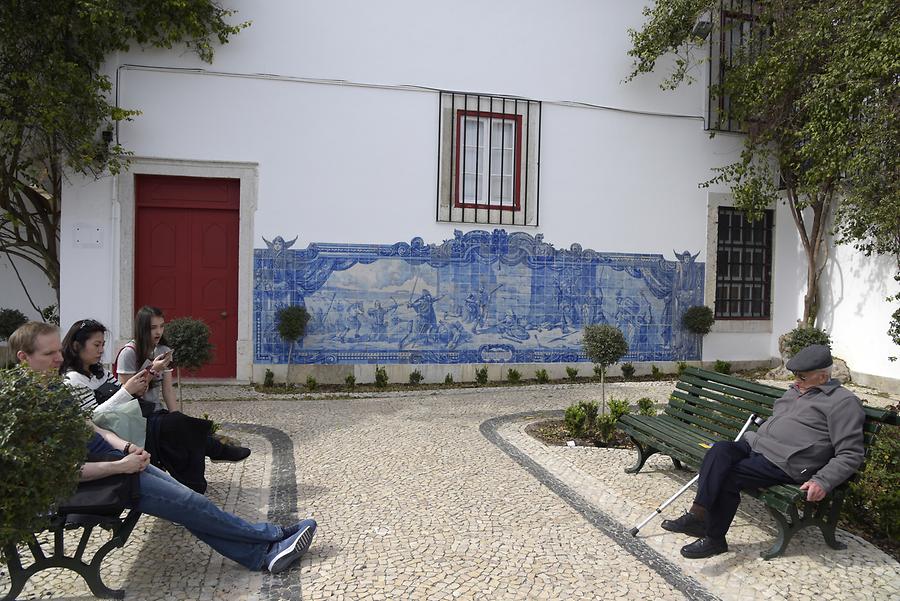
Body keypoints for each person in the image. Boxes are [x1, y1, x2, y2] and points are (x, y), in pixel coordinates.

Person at [8, 321, 317, 573]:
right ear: (23, 357)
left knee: (190, 505)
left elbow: (92, 426)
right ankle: (271, 539)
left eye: (58, 351)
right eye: (50, 354)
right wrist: (120, 466)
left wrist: (126, 447)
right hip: (104, 481)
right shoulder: (26, 410)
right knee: (193, 505)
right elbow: (59, 472)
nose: (59, 358)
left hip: (119, 464)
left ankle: (262, 554)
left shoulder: (50, 391)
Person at [660, 345, 865, 558]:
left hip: (786, 462)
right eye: (795, 376)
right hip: (757, 445)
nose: (796, 381)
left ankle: (714, 539)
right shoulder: (796, 391)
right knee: (719, 450)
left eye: (802, 377)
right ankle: (698, 514)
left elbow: (850, 453)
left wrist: (823, 480)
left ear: (823, 377)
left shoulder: (843, 403)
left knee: (730, 476)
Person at [60, 318, 250, 494]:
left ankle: (196, 484)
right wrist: (127, 390)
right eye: (96, 345)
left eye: (102, 344)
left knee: (177, 425)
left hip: (132, 419)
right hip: (118, 433)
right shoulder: (73, 380)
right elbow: (93, 418)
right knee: (176, 428)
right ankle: (211, 457)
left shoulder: (99, 371)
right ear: (77, 346)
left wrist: (142, 380)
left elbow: (122, 395)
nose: (101, 350)